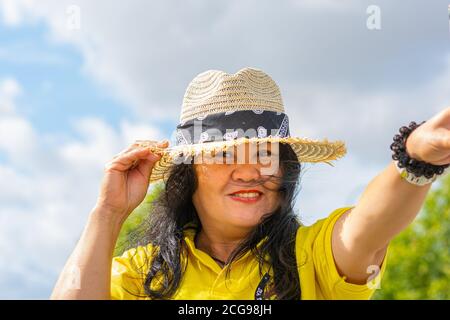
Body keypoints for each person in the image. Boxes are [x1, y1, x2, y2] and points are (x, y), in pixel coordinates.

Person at [50, 68, 450, 300]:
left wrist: (415, 158)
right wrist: (108, 212)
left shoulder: (310, 257)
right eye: (225, 154)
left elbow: (368, 227)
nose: (248, 171)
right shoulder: (140, 273)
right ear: (188, 173)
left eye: (264, 154)